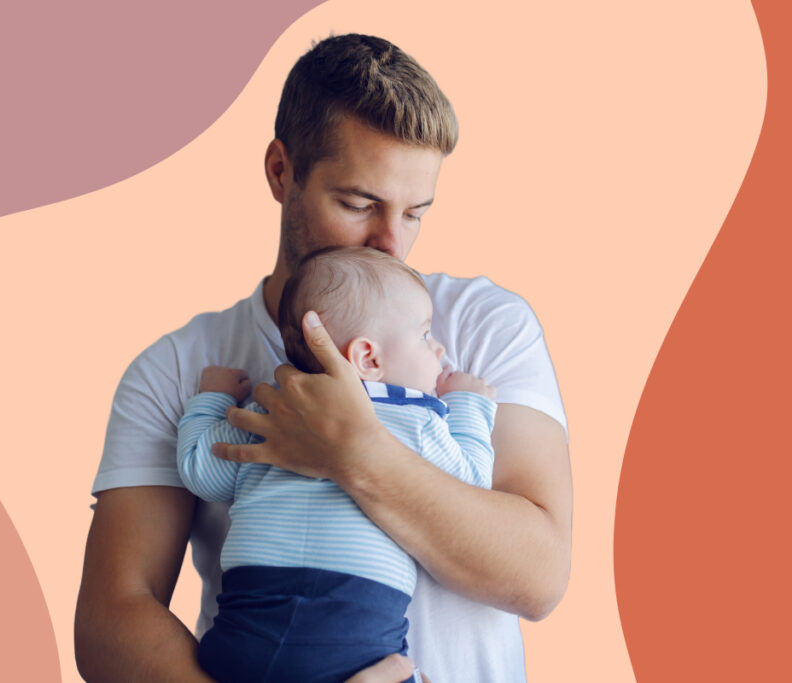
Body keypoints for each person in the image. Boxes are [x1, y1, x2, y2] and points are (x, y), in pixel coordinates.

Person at [75, 33, 571, 683]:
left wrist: (355, 450)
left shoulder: (479, 328)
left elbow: (537, 574)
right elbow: (114, 614)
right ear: (282, 171)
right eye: (359, 204)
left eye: (415, 212)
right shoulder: (181, 367)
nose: (392, 244)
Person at [179, 247, 497, 683]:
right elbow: (472, 482)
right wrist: (469, 403)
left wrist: (211, 399)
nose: (438, 348)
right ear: (369, 360)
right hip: (351, 641)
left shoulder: (273, 409)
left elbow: (202, 471)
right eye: (425, 335)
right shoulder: (419, 421)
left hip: (241, 635)